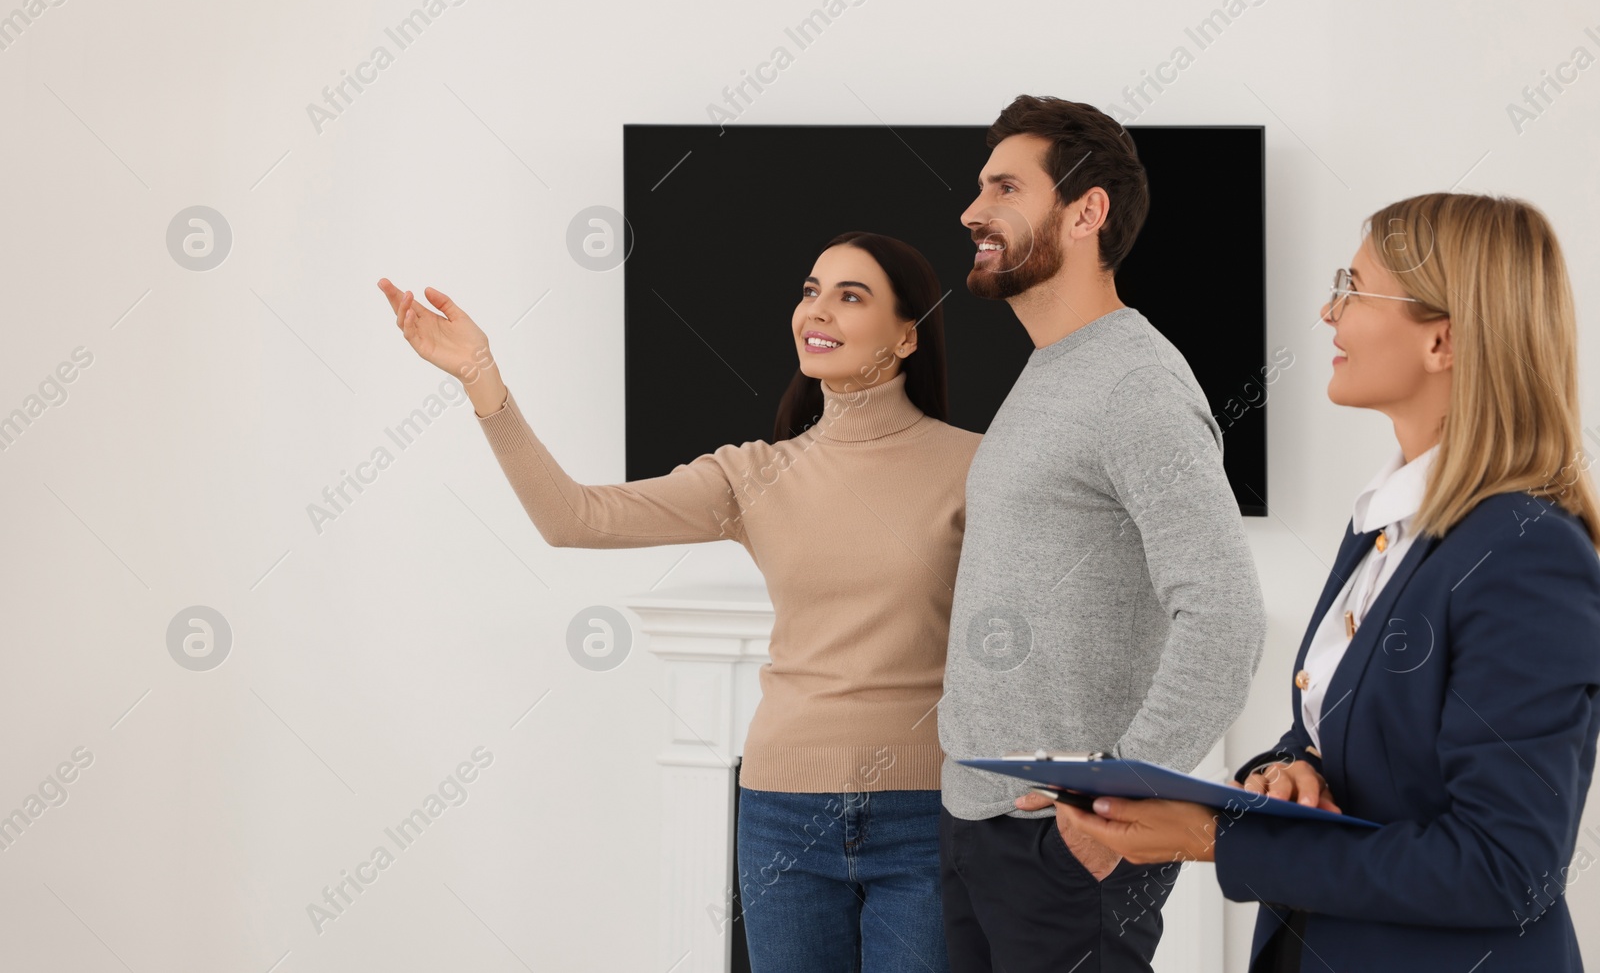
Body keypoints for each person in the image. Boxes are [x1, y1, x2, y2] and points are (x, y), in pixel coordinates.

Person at [378, 231, 982, 973]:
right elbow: (573, 517)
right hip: (781, 812)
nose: (816, 310)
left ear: (907, 334)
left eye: (850, 296)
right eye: (810, 289)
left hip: (926, 811)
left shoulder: (977, 464)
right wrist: (480, 379)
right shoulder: (753, 474)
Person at [1051, 192, 1600, 972]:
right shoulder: (1384, 527)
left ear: (1442, 339)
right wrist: (1284, 770)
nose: (1326, 309)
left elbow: (1508, 869)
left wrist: (1217, 836)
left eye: (1353, 285)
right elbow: (1346, 741)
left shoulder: (1526, 553)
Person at [936, 94, 1268, 973]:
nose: (973, 209)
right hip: (979, 827)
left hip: (1061, 846)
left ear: (1087, 211)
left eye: (1006, 187)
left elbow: (1226, 614)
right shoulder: (1049, 372)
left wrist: (1115, 801)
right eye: (979, 186)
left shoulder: (1136, 383)